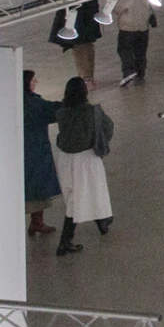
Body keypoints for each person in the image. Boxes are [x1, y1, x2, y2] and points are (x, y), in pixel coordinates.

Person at [53, 77, 114, 256]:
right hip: (87, 159)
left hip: (65, 158)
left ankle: (100, 223)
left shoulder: (62, 112)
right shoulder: (92, 111)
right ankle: (69, 239)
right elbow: (108, 127)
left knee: (74, 197)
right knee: (94, 192)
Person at [53, 0, 106, 84]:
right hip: (85, 13)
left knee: (82, 47)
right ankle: (87, 77)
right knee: (84, 46)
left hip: (81, 13)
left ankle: (86, 77)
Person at [21, 70, 60, 237]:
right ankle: (37, 222)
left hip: (25, 149)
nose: (35, 81)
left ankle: (37, 222)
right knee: (37, 187)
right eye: (32, 79)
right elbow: (51, 111)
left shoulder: (13, 99)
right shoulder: (33, 103)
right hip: (35, 150)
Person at [111, 0, 155, 88]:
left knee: (124, 49)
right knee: (141, 49)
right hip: (143, 23)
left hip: (127, 24)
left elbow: (116, 6)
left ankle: (128, 72)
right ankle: (140, 72)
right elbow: (154, 0)